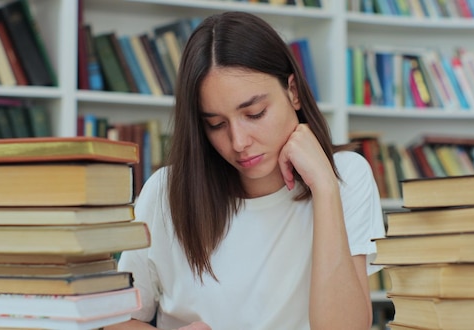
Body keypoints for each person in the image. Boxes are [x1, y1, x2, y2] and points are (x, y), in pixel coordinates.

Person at [106, 11, 385, 330]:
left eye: (254, 113)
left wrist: (324, 187)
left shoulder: (346, 177)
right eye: (216, 124)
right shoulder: (165, 192)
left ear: (292, 91)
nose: (238, 142)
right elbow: (116, 320)